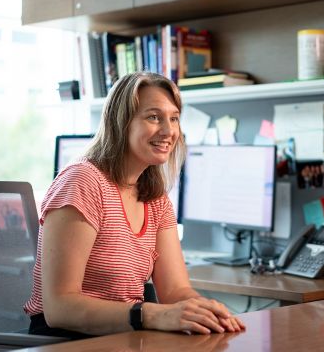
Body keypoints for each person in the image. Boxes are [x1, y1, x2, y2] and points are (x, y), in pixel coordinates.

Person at [24, 72, 245, 338]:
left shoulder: (155, 197)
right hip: (65, 340)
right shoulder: (82, 181)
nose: (169, 131)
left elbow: (176, 291)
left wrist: (206, 312)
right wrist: (149, 314)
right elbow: (59, 308)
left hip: (123, 336)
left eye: (174, 118)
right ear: (122, 123)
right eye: (154, 117)